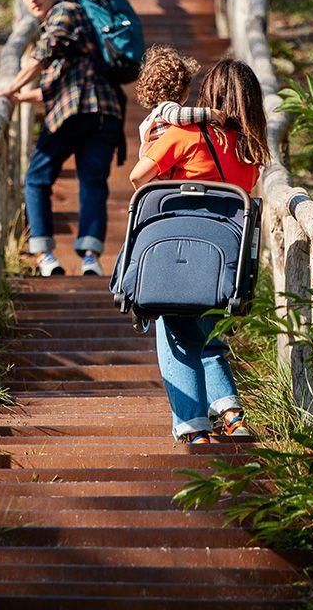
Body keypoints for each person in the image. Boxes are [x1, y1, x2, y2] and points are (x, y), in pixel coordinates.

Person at [129, 59, 270, 443]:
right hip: (225, 262)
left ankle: (192, 424)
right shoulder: (249, 151)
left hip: (178, 254)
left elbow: (139, 178)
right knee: (207, 332)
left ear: (209, 96)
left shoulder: (181, 136)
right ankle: (231, 411)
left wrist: (147, 144)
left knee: (175, 331)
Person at [0, 0, 123, 277]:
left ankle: (45, 255)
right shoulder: (79, 22)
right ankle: (91, 259)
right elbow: (57, 83)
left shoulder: (63, 11)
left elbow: (42, 55)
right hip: (104, 112)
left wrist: (8, 87)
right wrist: (23, 98)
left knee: (36, 178)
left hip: (76, 112)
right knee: (92, 183)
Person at [135, 44, 225, 159]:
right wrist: (209, 113)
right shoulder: (167, 108)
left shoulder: (155, 114)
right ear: (183, 88)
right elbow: (178, 116)